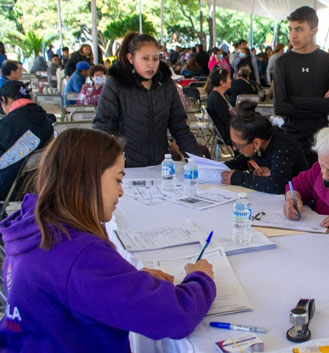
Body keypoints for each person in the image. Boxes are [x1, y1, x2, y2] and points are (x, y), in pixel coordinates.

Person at [0, 128, 216, 351]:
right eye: (118, 180)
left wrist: (123, 280)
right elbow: (176, 316)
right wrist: (201, 278)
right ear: (88, 180)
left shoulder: (33, 230)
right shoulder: (80, 254)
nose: (121, 192)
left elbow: (70, 293)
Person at [94, 32, 201, 167]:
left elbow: (180, 129)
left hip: (161, 168)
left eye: (155, 59)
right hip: (125, 169)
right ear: (131, 58)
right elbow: (103, 128)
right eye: (145, 58)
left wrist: (198, 163)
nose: (151, 65)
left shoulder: (166, 85)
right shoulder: (116, 85)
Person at [274, 6, 329, 165]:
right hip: (291, 136)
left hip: (321, 138)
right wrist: (320, 103)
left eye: (299, 29)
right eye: (290, 29)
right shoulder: (282, 62)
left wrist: (293, 100)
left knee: (320, 187)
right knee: (292, 187)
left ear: (314, 30)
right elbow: (280, 108)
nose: (293, 35)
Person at [221, 100, 308, 194]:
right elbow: (244, 159)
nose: (234, 148)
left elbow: (277, 185)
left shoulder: (283, 146)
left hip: (297, 201)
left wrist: (239, 178)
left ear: (256, 143)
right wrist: (223, 167)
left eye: (237, 145)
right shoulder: (260, 141)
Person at [0, 80, 54, 201]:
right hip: (36, 185)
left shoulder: (9, 123)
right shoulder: (45, 119)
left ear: (4, 100)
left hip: (10, 188)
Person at [205, 67, 234, 144]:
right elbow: (226, 120)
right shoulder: (217, 98)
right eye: (228, 78)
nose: (231, 80)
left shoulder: (218, 95)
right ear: (222, 82)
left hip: (228, 130)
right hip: (228, 134)